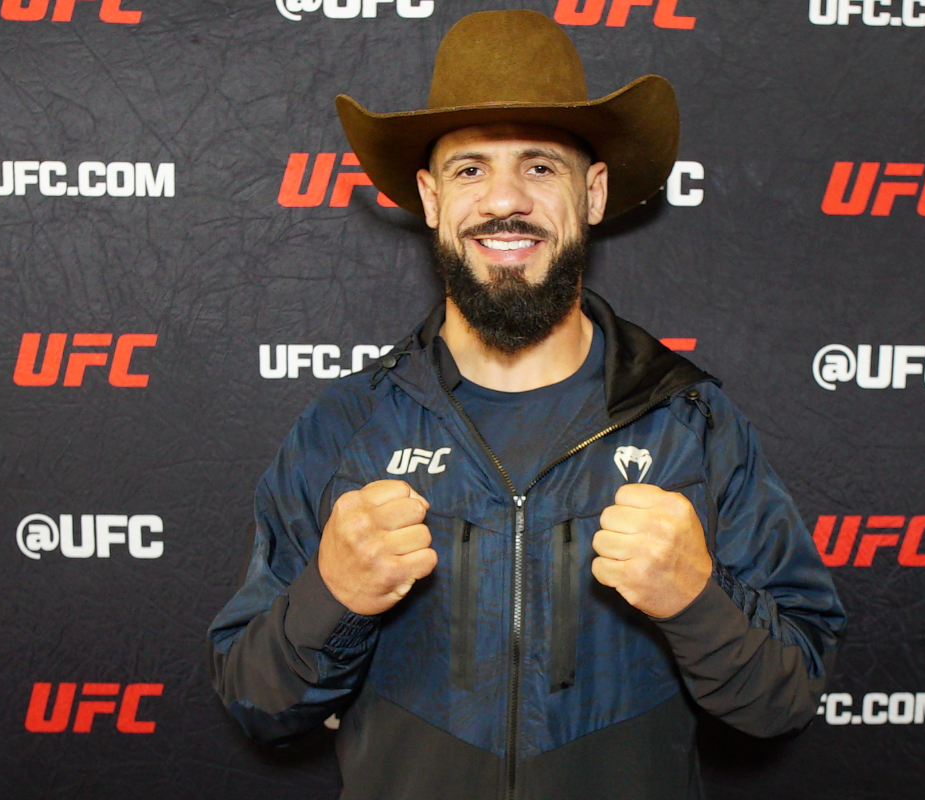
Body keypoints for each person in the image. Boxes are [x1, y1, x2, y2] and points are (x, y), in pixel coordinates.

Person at [208, 9, 845, 799]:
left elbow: (784, 701)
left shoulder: (693, 425)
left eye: (541, 167)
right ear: (431, 198)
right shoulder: (346, 429)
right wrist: (329, 596)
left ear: (595, 192)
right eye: (470, 169)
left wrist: (696, 601)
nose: (504, 200)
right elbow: (256, 701)